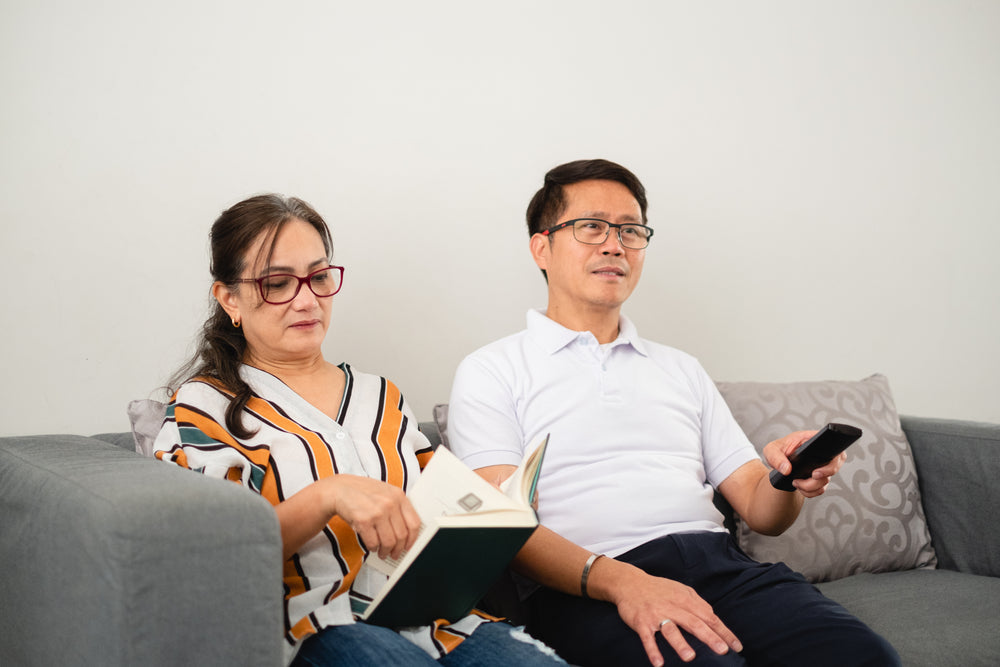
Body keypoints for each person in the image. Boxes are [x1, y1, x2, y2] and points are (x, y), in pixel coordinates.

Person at [446, 160, 901, 667]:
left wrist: (788, 478)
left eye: (631, 231)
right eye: (591, 227)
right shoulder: (492, 369)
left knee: (866, 658)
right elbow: (502, 527)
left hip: (722, 568)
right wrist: (627, 584)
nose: (615, 245)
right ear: (541, 247)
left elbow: (761, 510)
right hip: (589, 588)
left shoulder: (680, 368)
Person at [152, 194, 568, 667]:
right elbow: (212, 553)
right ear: (230, 298)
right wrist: (328, 494)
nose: (307, 299)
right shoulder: (204, 406)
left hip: (440, 622)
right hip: (316, 628)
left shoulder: (381, 396)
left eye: (319, 277)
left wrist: (494, 510)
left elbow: (437, 509)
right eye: (278, 283)